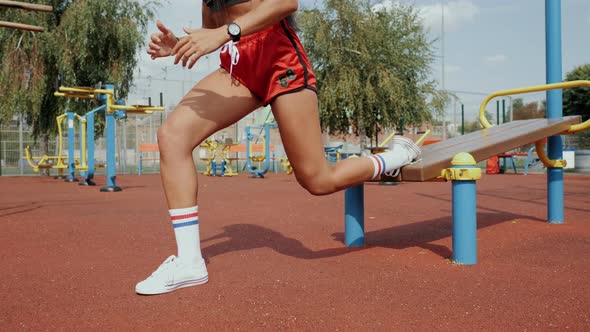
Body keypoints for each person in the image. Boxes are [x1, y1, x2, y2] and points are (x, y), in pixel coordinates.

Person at [135, 0, 421, 295]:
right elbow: (211, 32)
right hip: (240, 68)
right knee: (172, 136)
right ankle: (189, 262)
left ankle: (396, 156)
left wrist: (226, 32)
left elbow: (286, 2)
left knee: (318, 180)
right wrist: (179, 45)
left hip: (280, 62)